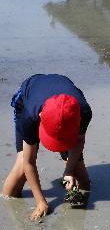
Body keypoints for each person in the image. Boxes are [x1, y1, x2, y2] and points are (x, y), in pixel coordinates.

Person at [1, 74, 92, 220]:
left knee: (83, 179)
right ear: (40, 117)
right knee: (20, 169)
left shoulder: (84, 112)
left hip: (64, 104)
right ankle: (7, 210)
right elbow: (29, 162)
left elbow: (79, 141)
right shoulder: (30, 117)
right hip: (27, 97)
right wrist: (40, 201)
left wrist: (68, 170)